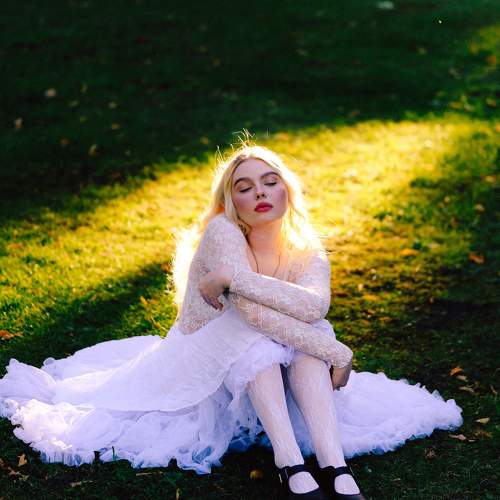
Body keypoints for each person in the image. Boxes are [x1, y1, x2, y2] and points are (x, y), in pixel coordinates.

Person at [0, 141, 463, 499]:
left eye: (269, 182)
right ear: (231, 202)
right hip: (202, 353)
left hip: (277, 345)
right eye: (244, 187)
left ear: (287, 191)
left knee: (309, 338)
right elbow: (252, 314)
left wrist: (236, 281)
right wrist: (337, 352)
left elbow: (313, 308)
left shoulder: (307, 250)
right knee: (257, 338)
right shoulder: (223, 232)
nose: (259, 192)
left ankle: (333, 462)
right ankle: (288, 462)